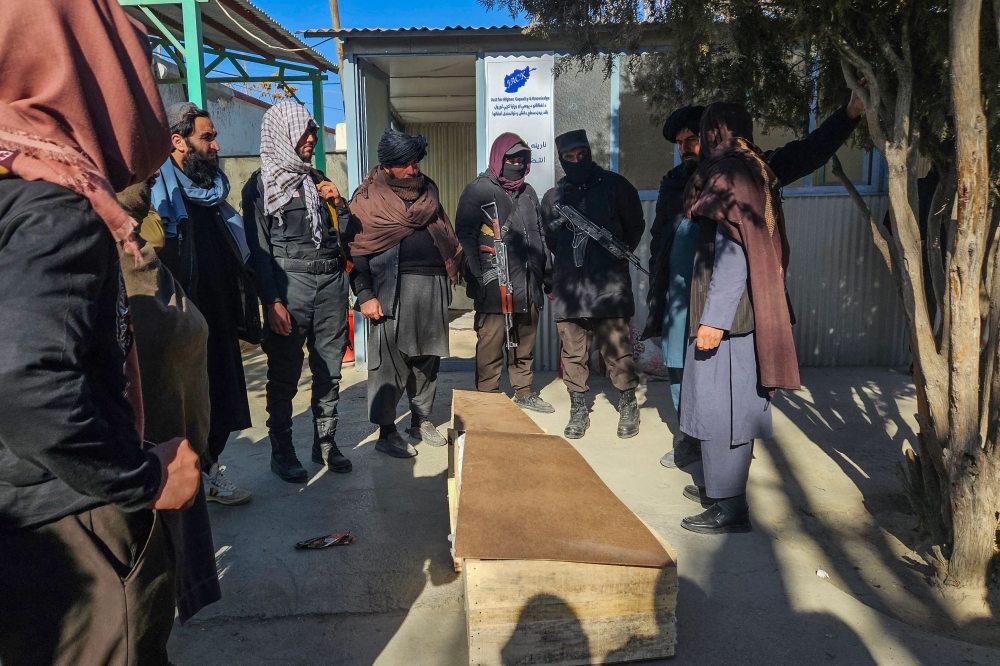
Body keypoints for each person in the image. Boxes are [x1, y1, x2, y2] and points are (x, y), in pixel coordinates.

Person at [0, 1, 201, 664]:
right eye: (128, 56)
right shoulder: (54, 204)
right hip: (70, 524)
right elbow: (27, 383)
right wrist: (141, 477)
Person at [679, 97, 864, 535]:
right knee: (725, 404)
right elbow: (810, 149)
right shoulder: (754, 166)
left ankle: (729, 506)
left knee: (725, 407)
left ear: (712, 134)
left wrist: (714, 320)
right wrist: (849, 113)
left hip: (729, 314)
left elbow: (731, 253)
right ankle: (720, 487)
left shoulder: (728, 175)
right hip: (741, 307)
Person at [242, 102, 353, 483]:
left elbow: (348, 235)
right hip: (291, 288)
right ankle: (282, 451)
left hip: (331, 285)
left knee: (330, 371)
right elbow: (258, 250)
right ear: (283, 134)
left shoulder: (317, 178)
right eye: (305, 132)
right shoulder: (259, 185)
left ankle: (325, 443)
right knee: (284, 375)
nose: (312, 138)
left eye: (313, 132)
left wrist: (340, 203)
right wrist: (271, 302)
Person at [152, 103, 255, 505]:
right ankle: (185, 482)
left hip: (220, 316)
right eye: (207, 137)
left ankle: (210, 471)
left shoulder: (215, 193)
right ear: (178, 142)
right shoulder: (158, 196)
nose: (216, 145)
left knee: (223, 400)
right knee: (184, 407)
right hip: (179, 321)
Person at [346, 129, 465, 458]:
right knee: (389, 364)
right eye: (406, 164)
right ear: (387, 166)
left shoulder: (429, 192)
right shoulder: (367, 199)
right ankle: (386, 432)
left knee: (428, 360)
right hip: (389, 291)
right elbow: (357, 251)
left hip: (431, 288)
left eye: (416, 162)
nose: (414, 170)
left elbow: (445, 234)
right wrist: (365, 293)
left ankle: (421, 419)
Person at [540, 130, 646, 440]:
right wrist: (563, 237)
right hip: (570, 289)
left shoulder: (615, 187)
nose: (576, 161)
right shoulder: (553, 197)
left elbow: (634, 228)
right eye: (568, 158)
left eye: (580, 155)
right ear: (562, 160)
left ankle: (628, 404)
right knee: (573, 353)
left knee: (617, 351)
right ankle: (578, 409)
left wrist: (610, 254)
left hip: (608, 286)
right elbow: (551, 239)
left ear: (588, 152)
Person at [455, 133, 553, 412]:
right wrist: (477, 276)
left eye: (522, 160)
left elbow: (541, 237)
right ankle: (488, 397)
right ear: (499, 158)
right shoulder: (478, 190)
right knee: (490, 344)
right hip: (494, 284)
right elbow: (465, 236)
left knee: (524, 343)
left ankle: (523, 391)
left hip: (529, 282)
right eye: (511, 159)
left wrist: (547, 276)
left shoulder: (529, 192)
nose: (517, 165)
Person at [642, 105, 705, 469]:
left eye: (692, 139)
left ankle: (717, 445)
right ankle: (691, 439)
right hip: (676, 299)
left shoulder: (725, 178)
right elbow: (657, 237)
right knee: (678, 369)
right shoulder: (671, 182)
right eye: (680, 142)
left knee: (711, 371)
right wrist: (657, 285)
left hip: (713, 299)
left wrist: (850, 115)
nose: (685, 147)